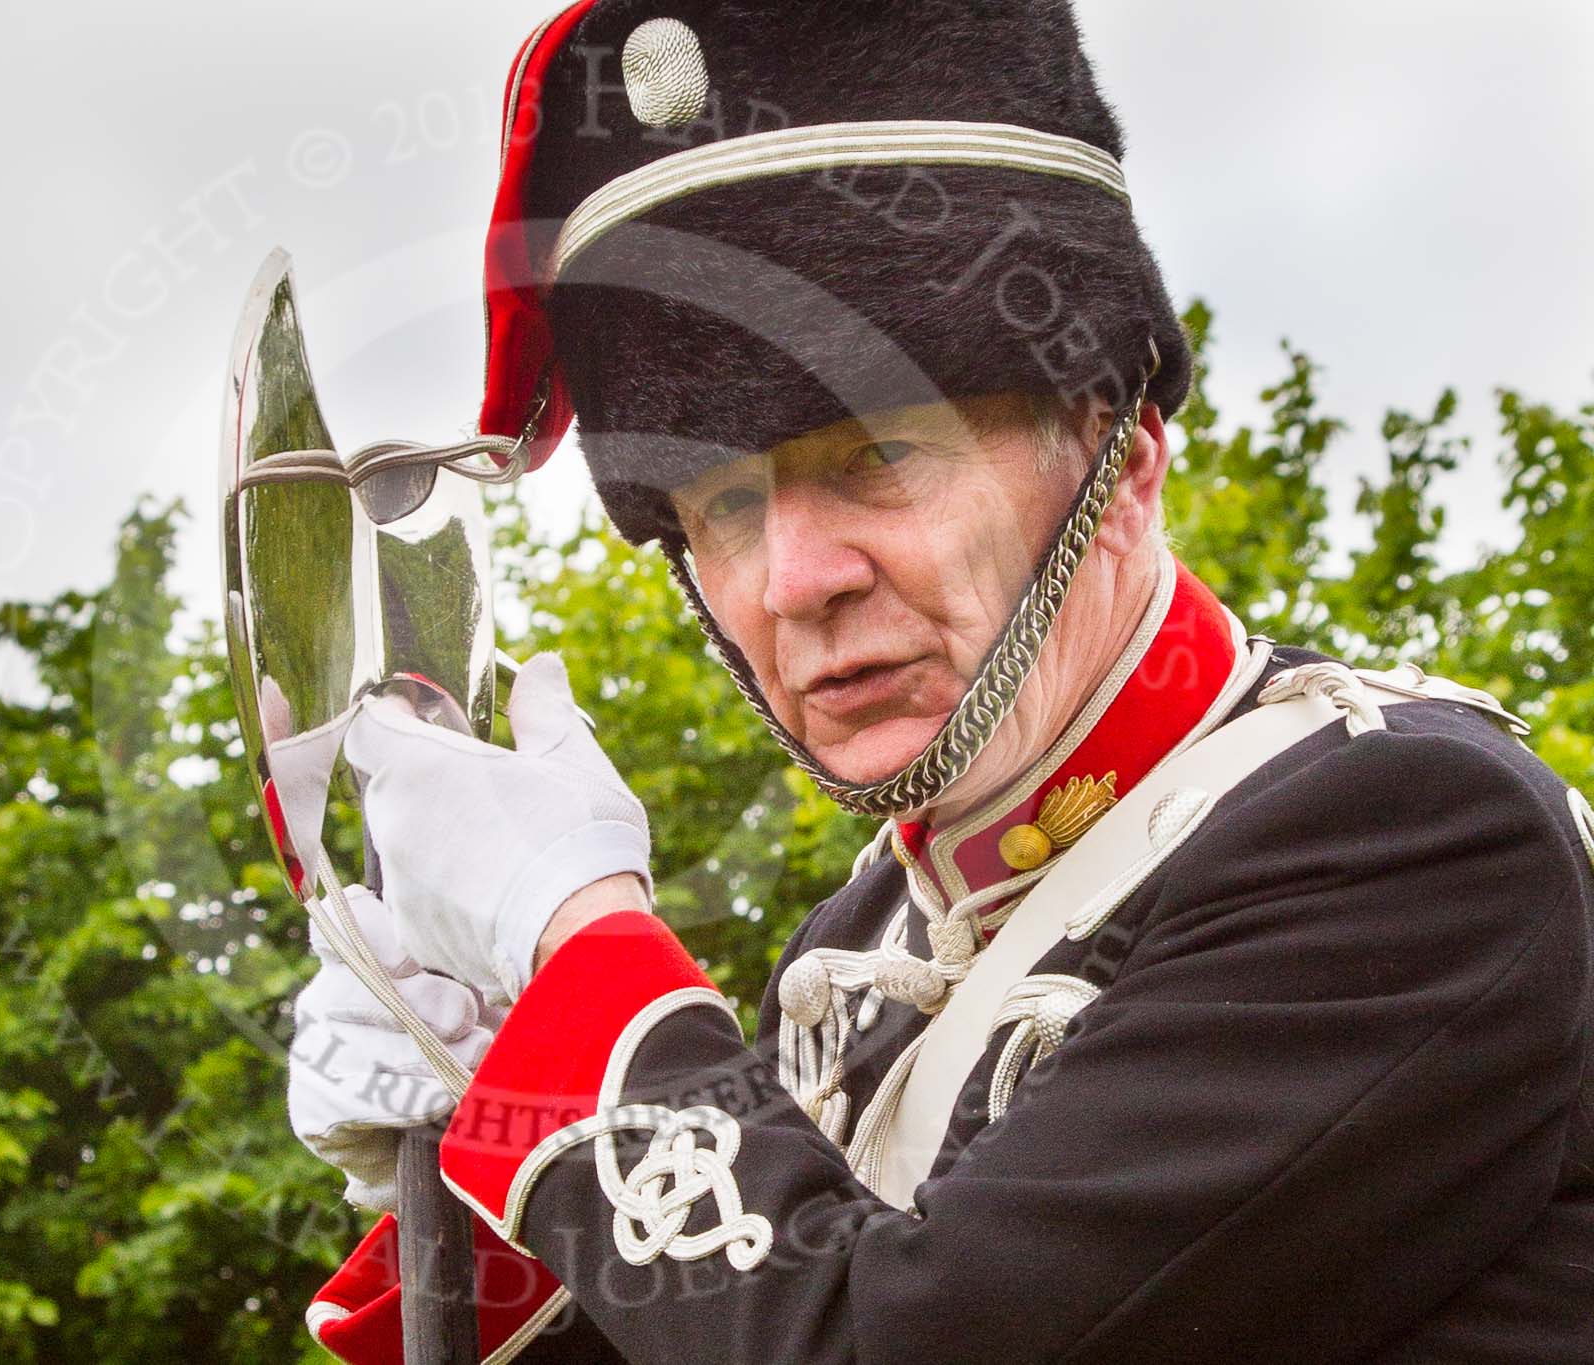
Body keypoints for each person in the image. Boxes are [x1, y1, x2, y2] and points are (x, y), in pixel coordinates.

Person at [288, 1, 1594, 1359]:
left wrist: (585, 953)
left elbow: (897, 1340)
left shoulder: (1409, 834)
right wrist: (492, 1102)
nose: (796, 579)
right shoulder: (859, 946)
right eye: (721, 505)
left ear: (1121, 453)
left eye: (877, 454)